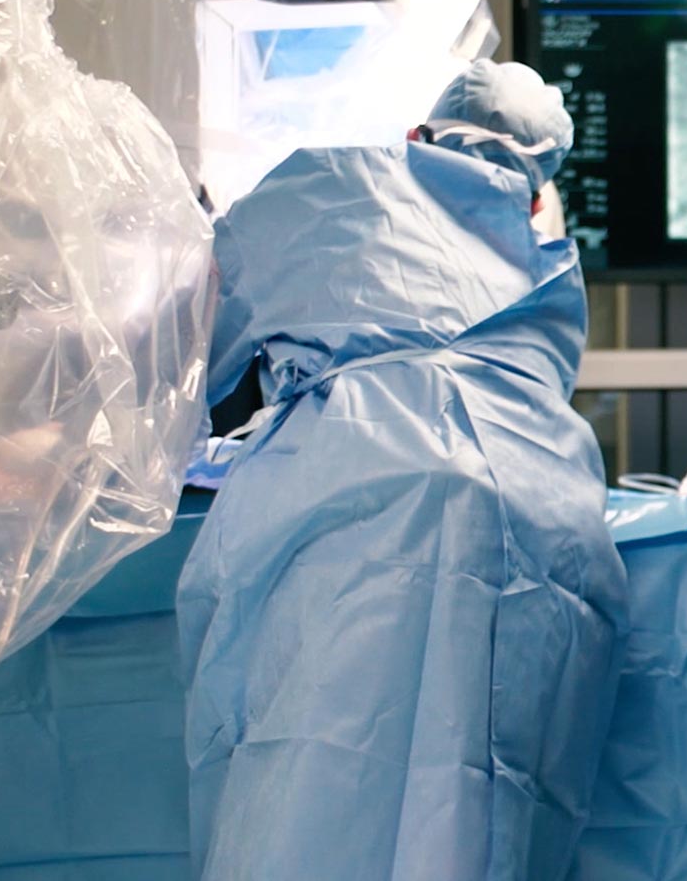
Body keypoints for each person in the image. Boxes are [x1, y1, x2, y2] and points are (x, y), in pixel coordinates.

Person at [177, 61, 625, 881]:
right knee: (479, 803)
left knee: (313, 788)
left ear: (416, 136)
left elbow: (180, 370)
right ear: (537, 194)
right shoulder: (546, 267)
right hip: (540, 523)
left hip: (365, 496)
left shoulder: (322, 185)